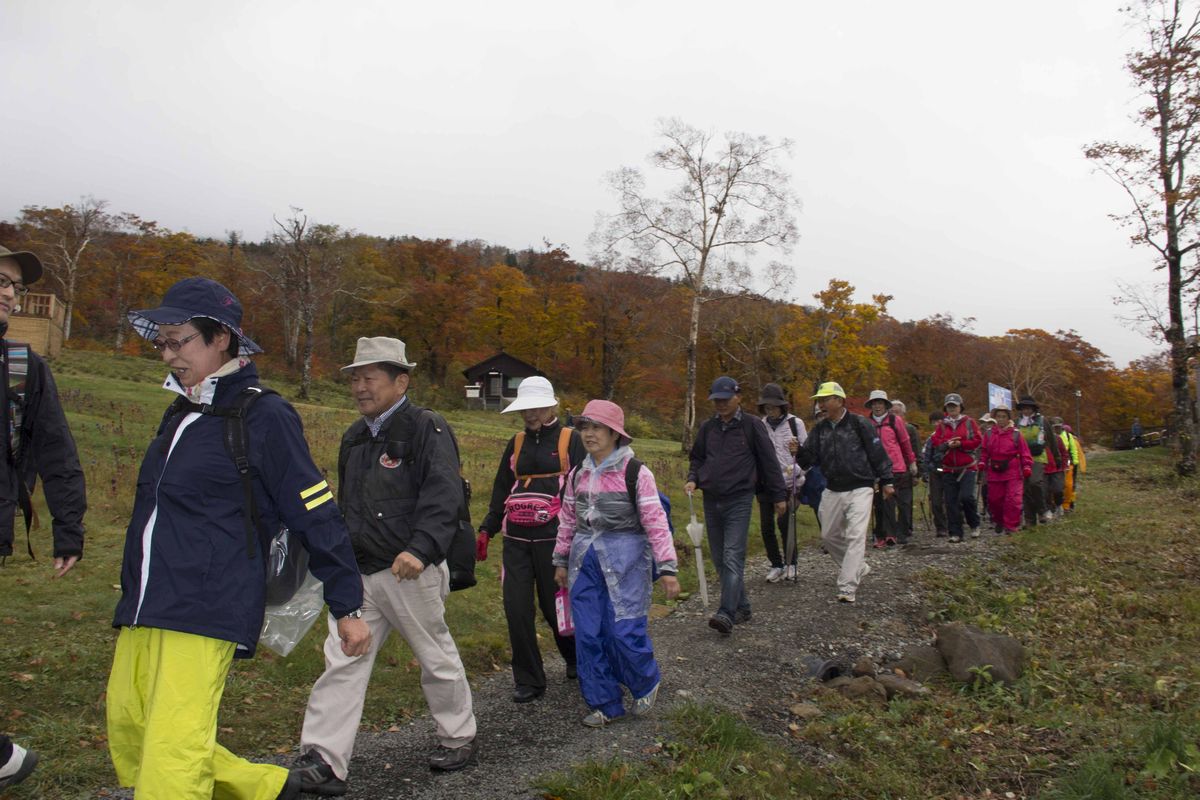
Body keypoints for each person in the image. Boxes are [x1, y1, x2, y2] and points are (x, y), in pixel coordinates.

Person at [107, 278, 369, 800]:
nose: (167, 354)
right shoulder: (181, 411)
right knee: (133, 727)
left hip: (207, 601)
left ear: (220, 338)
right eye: (161, 343)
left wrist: (347, 605)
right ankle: (268, 786)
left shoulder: (263, 414)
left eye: (178, 340)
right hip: (146, 601)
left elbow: (315, 511)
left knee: (172, 752)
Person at [292, 337, 478, 795]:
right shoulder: (355, 436)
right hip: (361, 572)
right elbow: (350, 504)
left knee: (433, 654)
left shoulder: (425, 427)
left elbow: (445, 494)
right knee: (342, 659)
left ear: (401, 381)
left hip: (408, 570)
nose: (359, 386)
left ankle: (458, 736)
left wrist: (421, 549)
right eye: (355, 378)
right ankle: (324, 758)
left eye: (369, 377)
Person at [0, 245, 87, 789]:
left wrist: (68, 527)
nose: (10, 291)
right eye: (1, 280)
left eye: (11, 284)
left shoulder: (22, 367)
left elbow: (55, 448)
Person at [552, 400, 680, 727]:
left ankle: (645, 681)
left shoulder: (636, 472)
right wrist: (561, 561)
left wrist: (667, 567)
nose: (589, 434)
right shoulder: (577, 474)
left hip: (627, 566)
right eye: (584, 427)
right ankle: (604, 703)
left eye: (596, 427)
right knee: (588, 635)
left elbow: (654, 521)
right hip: (584, 565)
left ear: (614, 433)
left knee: (623, 631)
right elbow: (567, 519)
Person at [476, 376, 584, 702]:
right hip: (517, 539)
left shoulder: (571, 439)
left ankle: (576, 658)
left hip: (556, 539)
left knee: (556, 609)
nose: (530, 414)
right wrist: (487, 528)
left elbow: (584, 485)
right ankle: (529, 680)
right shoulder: (517, 442)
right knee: (516, 608)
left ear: (551, 405)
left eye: (536, 407)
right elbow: (500, 487)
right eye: (525, 409)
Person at [685, 376, 787, 634]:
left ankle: (726, 613)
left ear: (738, 397)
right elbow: (697, 458)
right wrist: (693, 479)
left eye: (725, 399)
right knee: (720, 559)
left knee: (732, 556)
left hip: (739, 499)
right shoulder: (708, 428)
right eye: (716, 400)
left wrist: (778, 496)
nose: (720, 404)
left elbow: (769, 462)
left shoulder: (752, 426)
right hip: (711, 500)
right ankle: (742, 607)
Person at [796, 382, 895, 603]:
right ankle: (857, 567)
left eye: (825, 400)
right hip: (832, 488)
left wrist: (887, 480)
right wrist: (797, 451)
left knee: (855, 535)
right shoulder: (819, 430)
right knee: (829, 536)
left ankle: (847, 586)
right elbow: (808, 461)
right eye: (819, 401)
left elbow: (877, 452)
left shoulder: (859, 423)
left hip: (861, 486)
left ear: (839, 401)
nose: (821, 404)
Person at [755, 383, 807, 581]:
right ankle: (775, 563)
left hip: (789, 481)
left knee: (785, 523)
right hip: (765, 482)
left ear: (782, 406)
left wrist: (798, 468)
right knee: (766, 526)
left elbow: (807, 452)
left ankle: (791, 562)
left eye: (773, 406)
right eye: (767, 407)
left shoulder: (796, 424)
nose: (770, 410)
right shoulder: (761, 424)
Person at [865, 390, 916, 548]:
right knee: (878, 503)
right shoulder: (866, 423)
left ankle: (893, 534)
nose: (877, 406)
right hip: (875, 469)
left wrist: (912, 462)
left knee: (893, 502)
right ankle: (882, 535)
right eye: (874, 403)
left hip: (896, 467)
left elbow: (905, 442)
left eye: (880, 403)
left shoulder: (895, 420)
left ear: (885, 405)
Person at [929, 393, 983, 543]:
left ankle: (974, 523)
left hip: (967, 466)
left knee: (966, 497)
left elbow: (978, 440)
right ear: (946, 408)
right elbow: (936, 443)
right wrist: (947, 444)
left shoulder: (969, 422)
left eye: (955, 406)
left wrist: (962, 444)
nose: (952, 408)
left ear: (960, 407)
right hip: (948, 468)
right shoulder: (941, 425)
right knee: (950, 501)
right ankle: (955, 532)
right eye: (949, 406)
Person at [979, 405, 1032, 534]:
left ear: (1009, 418)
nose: (1001, 419)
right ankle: (999, 520)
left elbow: (1025, 452)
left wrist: (1026, 466)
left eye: (1004, 417)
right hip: (995, 471)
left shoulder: (1016, 434)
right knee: (994, 500)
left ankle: (1011, 526)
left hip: (1012, 471)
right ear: (995, 418)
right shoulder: (989, 434)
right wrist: (982, 462)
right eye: (998, 416)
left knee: (1013, 499)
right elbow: (985, 451)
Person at [1015, 397, 1061, 527]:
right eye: (1024, 408)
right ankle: (1030, 519)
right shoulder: (1016, 422)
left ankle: (1042, 510)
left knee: (1035, 482)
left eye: (1029, 408)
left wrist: (1057, 457)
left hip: (1038, 457)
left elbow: (1051, 440)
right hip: (1021, 458)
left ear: (1033, 409)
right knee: (1025, 489)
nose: (1026, 410)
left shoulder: (1042, 421)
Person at [890, 400, 920, 542]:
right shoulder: (885, 427)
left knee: (905, 502)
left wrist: (917, 473)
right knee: (888, 502)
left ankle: (904, 530)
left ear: (903, 414)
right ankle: (890, 531)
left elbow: (916, 451)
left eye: (897, 413)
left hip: (906, 470)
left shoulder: (910, 429)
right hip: (889, 470)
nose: (894, 415)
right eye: (892, 412)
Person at [922, 411, 949, 537]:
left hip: (951, 470)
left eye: (939, 421)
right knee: (936, 501)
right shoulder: (931, 438)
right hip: (936, 472)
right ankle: (941, 527)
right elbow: (926, 456)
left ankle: (953, 523)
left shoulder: (951, 435)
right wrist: (926, 472)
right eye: (934, 422)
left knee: (951, 499)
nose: (937, 424)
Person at [1045, 417, 1072, 519]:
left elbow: (1064, 454)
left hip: (1057, 468)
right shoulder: (1040, 439)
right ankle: (1048, 509)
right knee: (1045, 490)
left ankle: (1058, 505)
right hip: (1045, 468)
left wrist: (1065, 465)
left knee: (1058, 489)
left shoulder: (1058, 439)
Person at [1061, 424, 1086, 512]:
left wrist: (1077, 463)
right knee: (1068, 484)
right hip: (1068, 464)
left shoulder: (1072, 439)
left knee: (1070, 484)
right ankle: (1067, 503)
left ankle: (1070, 502)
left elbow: (1078, 453)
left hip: (1071, 464)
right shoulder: (1069, 438)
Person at [977, 413, 996, 524]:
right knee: (985, 488)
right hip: (984, 467)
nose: (987, 425)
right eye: (985, 423)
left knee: (995, 490)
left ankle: (994, 512)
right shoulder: (980, 435)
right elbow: (978, 450)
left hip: (998, 466)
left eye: (990, 423)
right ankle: (987, 508)